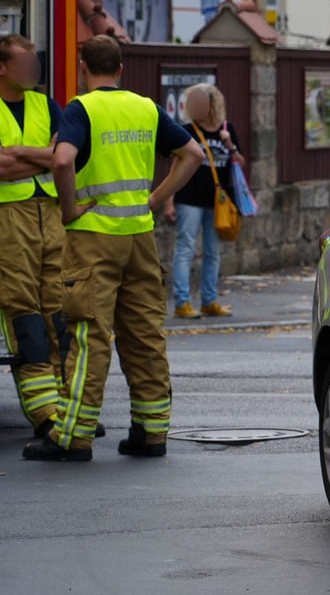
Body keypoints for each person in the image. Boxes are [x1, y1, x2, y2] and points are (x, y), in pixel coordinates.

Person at [23, 35, 204, 462]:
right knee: (144, 334)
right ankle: (151, 430)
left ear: (83, 67)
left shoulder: (80, 109)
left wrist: (68, 209)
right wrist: (155, 199)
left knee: (89, 334)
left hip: (93, 237)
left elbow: (62, 160)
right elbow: (193, 154)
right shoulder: (145, 107)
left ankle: (73, 436)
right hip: (140, 237)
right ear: (121, 69)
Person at [0, 35, 72, 439]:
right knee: (21, 307)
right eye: (25, 64)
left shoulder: (46, 105)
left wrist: (17, 152)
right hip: (9, 218)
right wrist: (42, 157)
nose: (34, 72)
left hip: (51, 215)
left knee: (59, 308)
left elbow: (65, 156)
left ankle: (69, 402)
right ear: (2, 68)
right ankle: (44, 409)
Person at [165, 83, 245, 318]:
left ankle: (209, 300)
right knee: (185, 249)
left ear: (213, 105)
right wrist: (169, 200)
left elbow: (240, 163)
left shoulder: (227, 129)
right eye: (193, 104)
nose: (196, 108)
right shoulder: (187, 130)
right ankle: (182, 302)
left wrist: (229, 145)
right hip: (188, 199)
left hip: (217, 203)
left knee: (213, 252)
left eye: (201, 103)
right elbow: (175, 166)